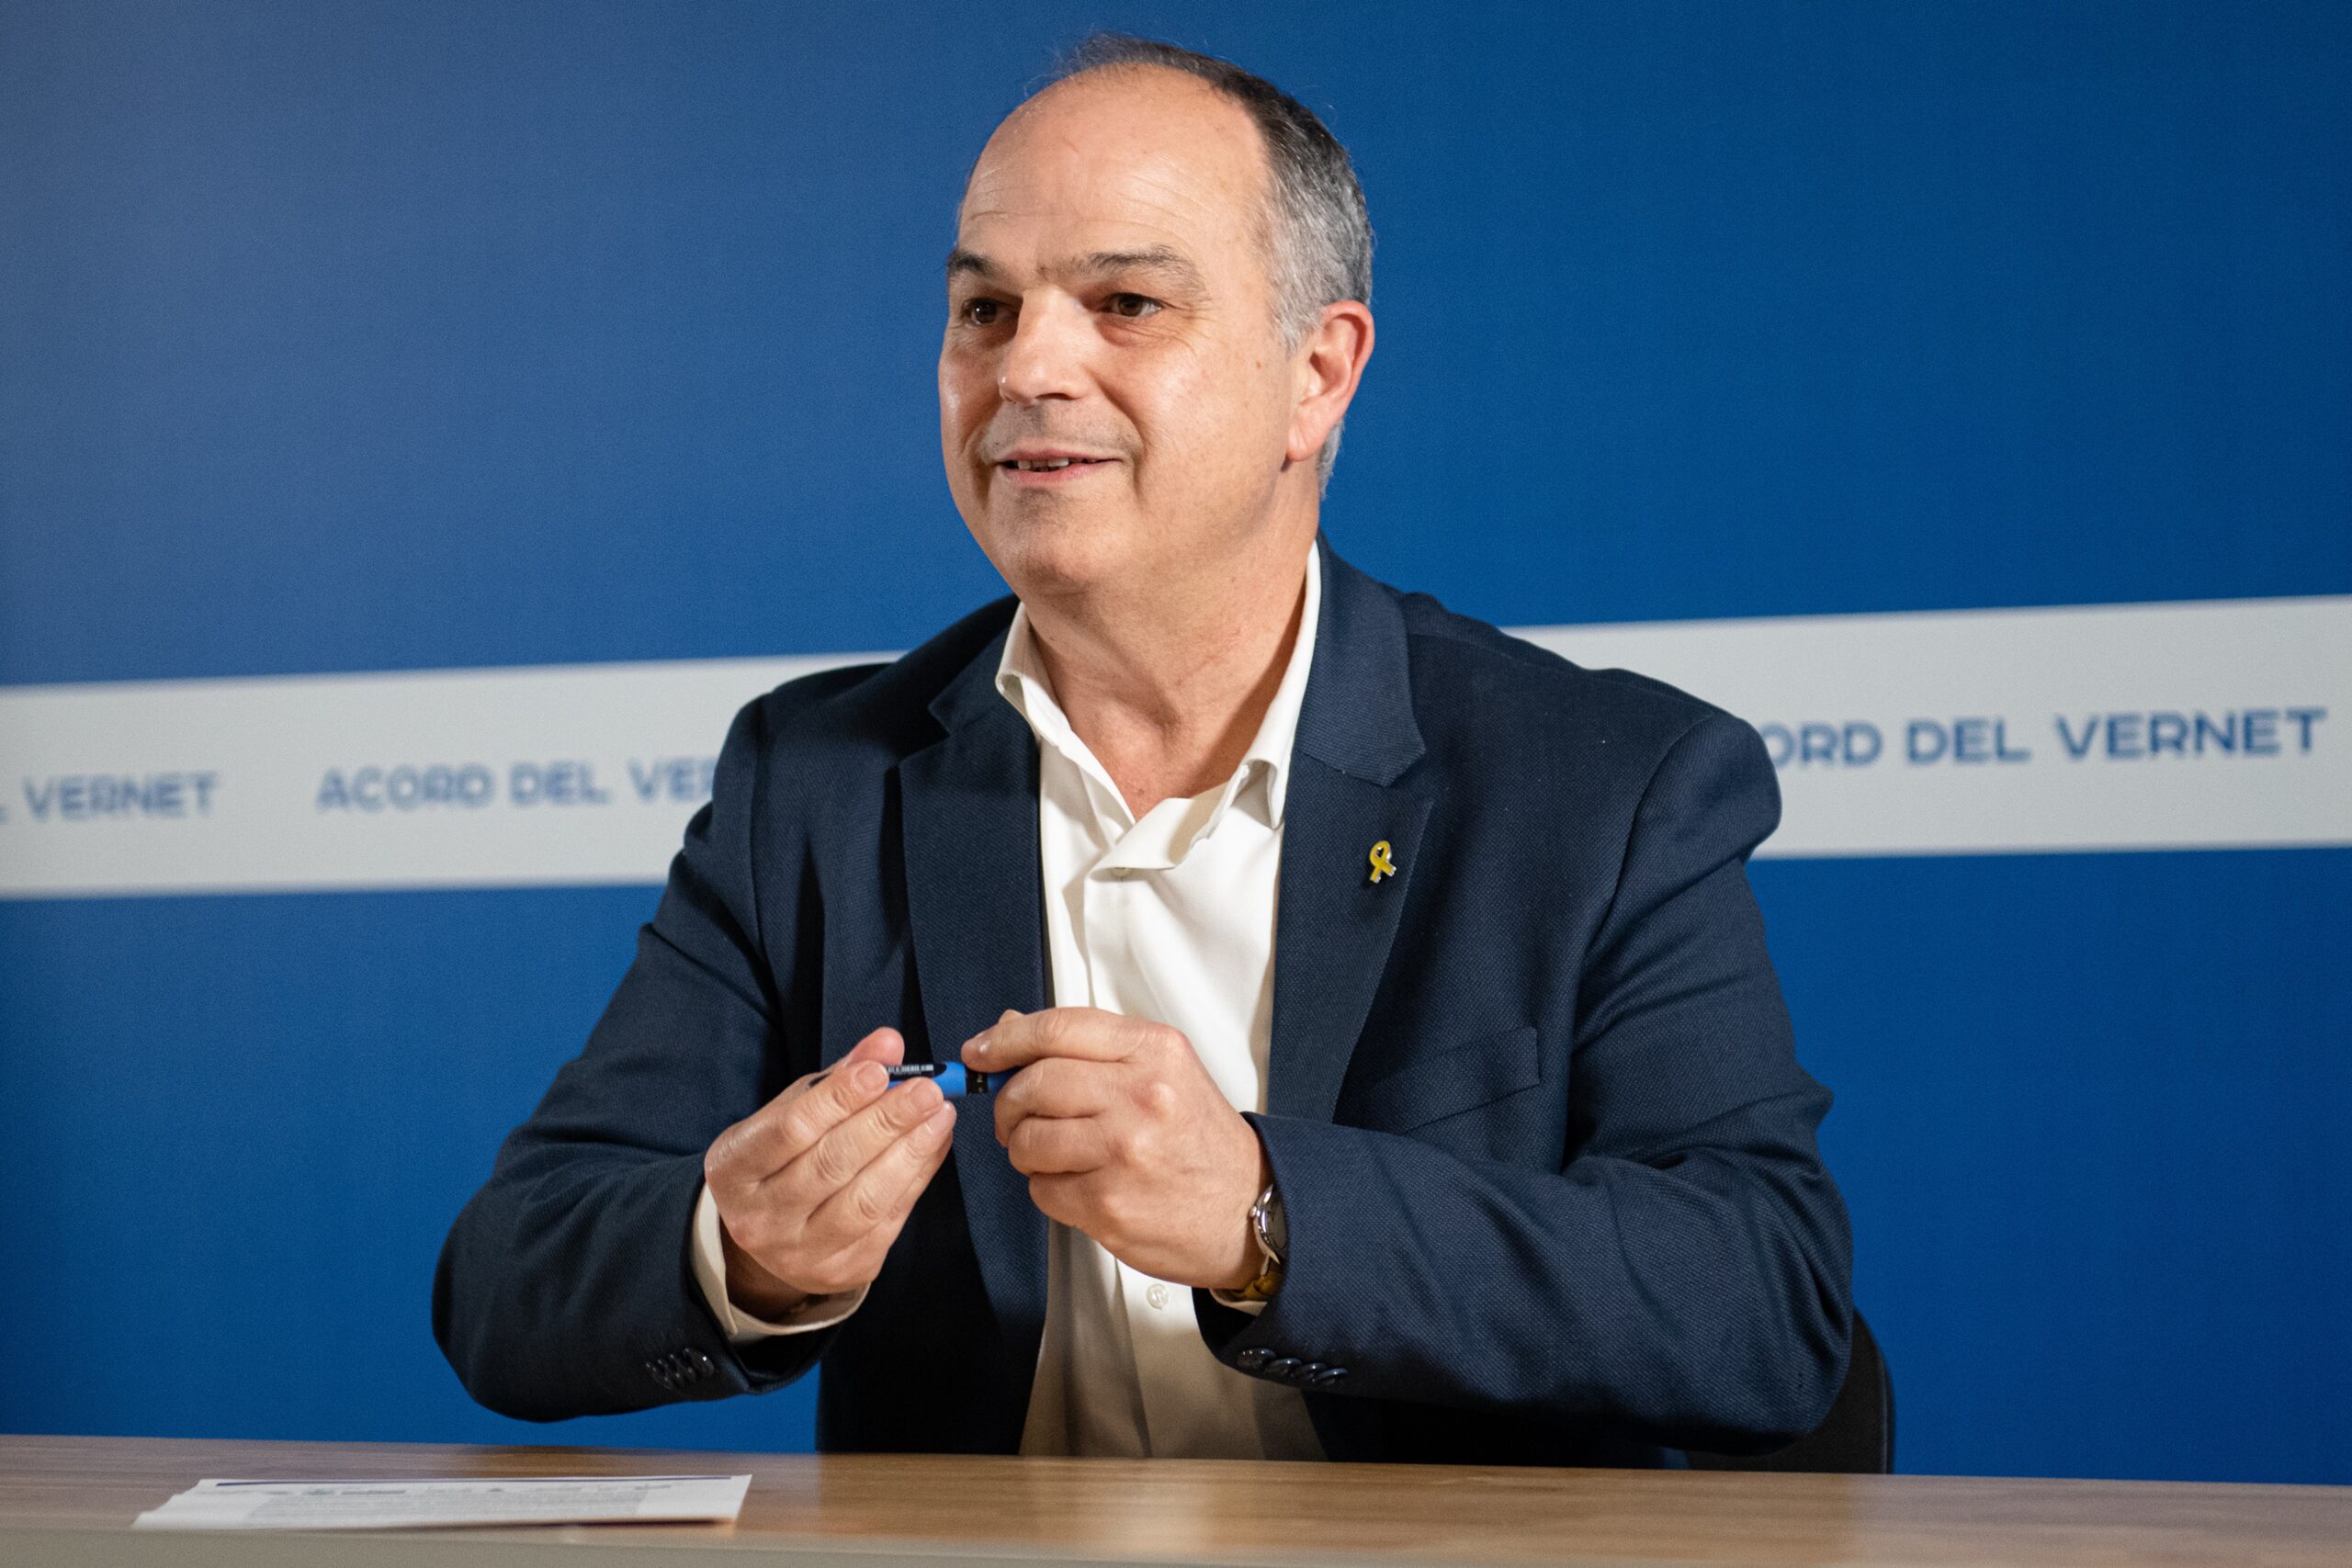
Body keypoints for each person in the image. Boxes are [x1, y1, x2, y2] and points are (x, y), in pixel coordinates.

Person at [435, 34, 1852, 1467]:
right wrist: (736, 1250)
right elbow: (505, 1282)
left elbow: (1764, 1296)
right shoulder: (815, 778)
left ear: (1316, 374)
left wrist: (1264, 1210)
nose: (1027, 367)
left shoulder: (1608, 782)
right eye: (984, 310)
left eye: (1125, 304)